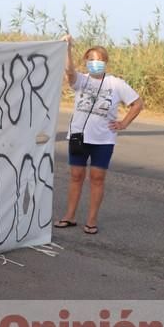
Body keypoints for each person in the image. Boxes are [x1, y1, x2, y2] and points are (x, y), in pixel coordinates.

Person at [54, 35, 144, 234]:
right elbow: (69, 71)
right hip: (79, 136)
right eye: (91, 60)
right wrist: (67, 47)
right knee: (76, 176)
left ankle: (92, 220)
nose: (95, 63)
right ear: (86, 61)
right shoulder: (81, 81)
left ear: (106, 62)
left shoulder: (116, 84)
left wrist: (124, 123)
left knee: (97, 178)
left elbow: (138, 104)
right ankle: (69, 216)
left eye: (99, 60)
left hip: (103, 139)